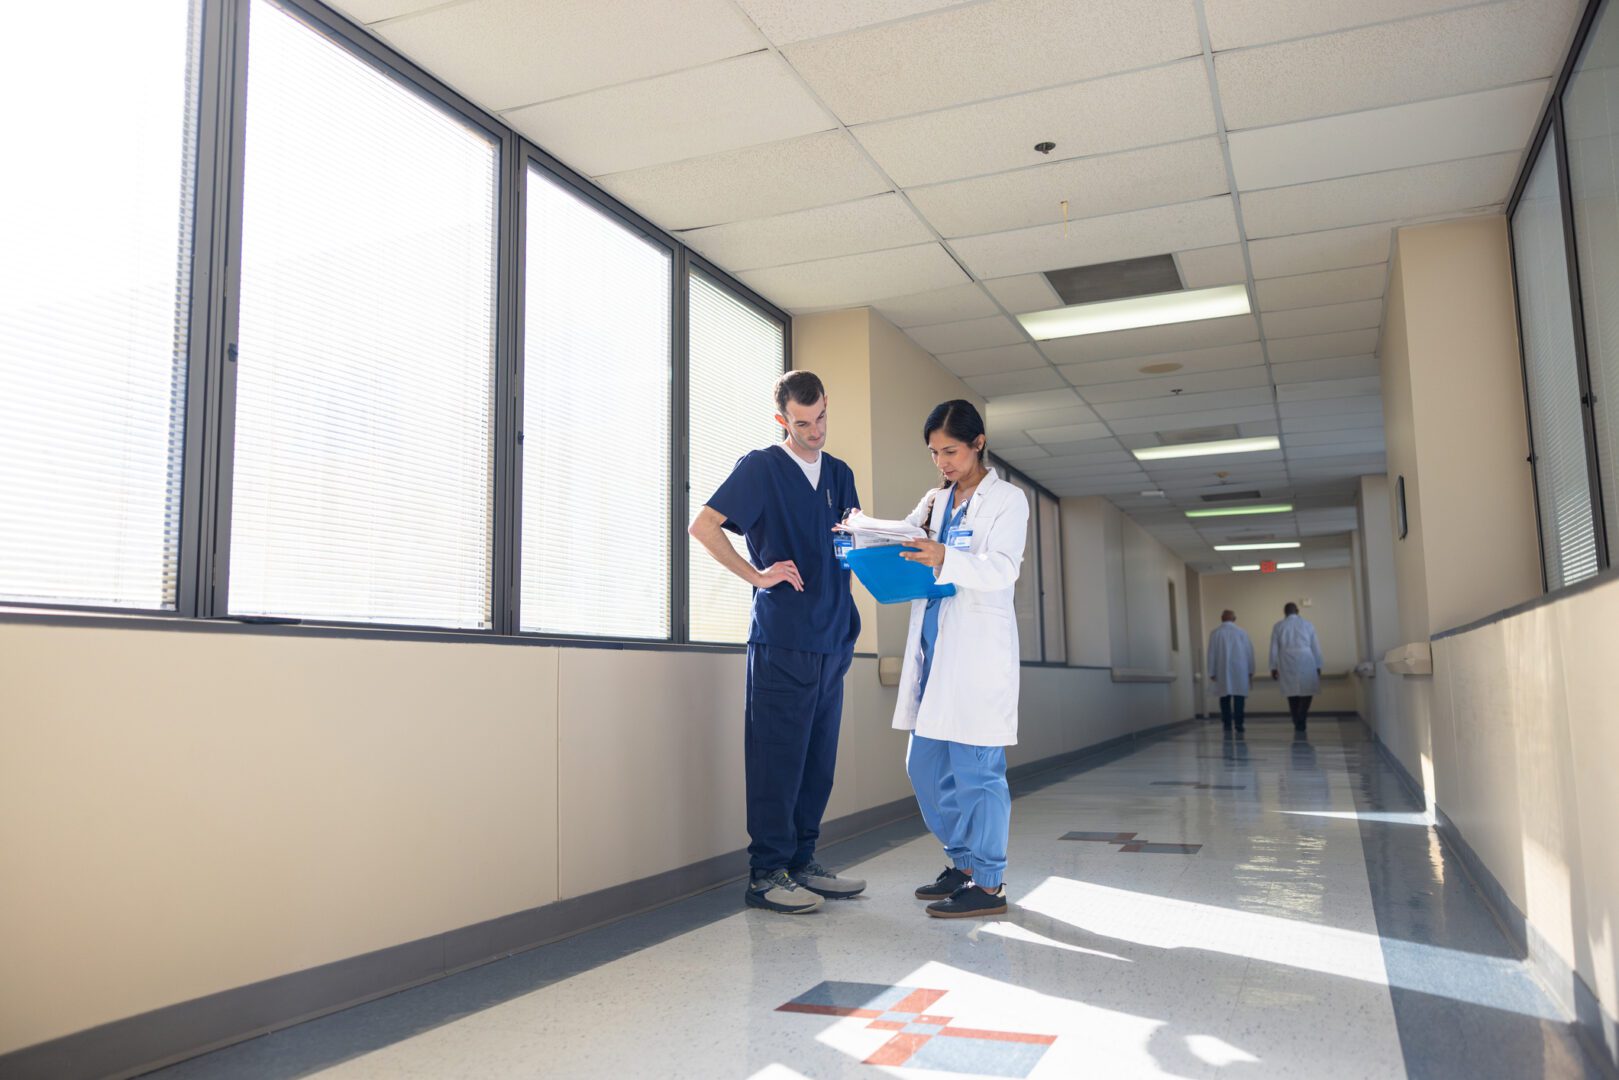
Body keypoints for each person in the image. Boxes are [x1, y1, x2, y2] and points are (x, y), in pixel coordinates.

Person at [688, 371, 865, 914]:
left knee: (818, 762)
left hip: (833, 639)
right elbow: (704, 526)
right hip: (784, 640)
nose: (815, 431)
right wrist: (759, 575)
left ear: (828, 407)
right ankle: (767, 873)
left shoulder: (840, 474)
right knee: (777, 760)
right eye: (802, 423)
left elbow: (849, 545)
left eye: (821, 419)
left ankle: (801, 862)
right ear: (782, 420)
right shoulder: (762, 467)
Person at [890, 400, 1027, 920]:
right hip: (934, 650)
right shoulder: (934, 501)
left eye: (950, 450)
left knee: (977, 774)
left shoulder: (1008, 501)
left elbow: (1002, 569)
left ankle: (988, 883)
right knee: (923, 766)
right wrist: (862, 531)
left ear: (978, 443)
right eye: (934, 453)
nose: (942, 462)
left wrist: (947, 556)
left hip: (976, 656)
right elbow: (901, 539)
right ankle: (964, 862)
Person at [1269, 602, 1323, 732]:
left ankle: (1296, 718)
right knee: (1307, 691)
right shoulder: (1308, 624)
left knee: (1291, 691)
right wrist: (1318, 664)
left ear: (1285, 612)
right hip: (1306, 658)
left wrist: (1273, 666)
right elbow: (1315, 646)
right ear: (1298, 611)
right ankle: (1302, 717)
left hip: (1286, 660)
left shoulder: (1278, 626)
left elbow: (1274, 648)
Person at [1207, 609, 1255, 735]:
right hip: (1240, 670)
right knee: (1239, 697)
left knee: (1224, 697)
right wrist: (1251, 669)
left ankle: (1227, 724)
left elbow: (1211, 654)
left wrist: (1211, 671)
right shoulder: (1242, 632)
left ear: (1221, 618)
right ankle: (1239, 725)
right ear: (1235, 619)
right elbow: (1249, 652)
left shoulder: (1215, 633)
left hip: (1221, 670)